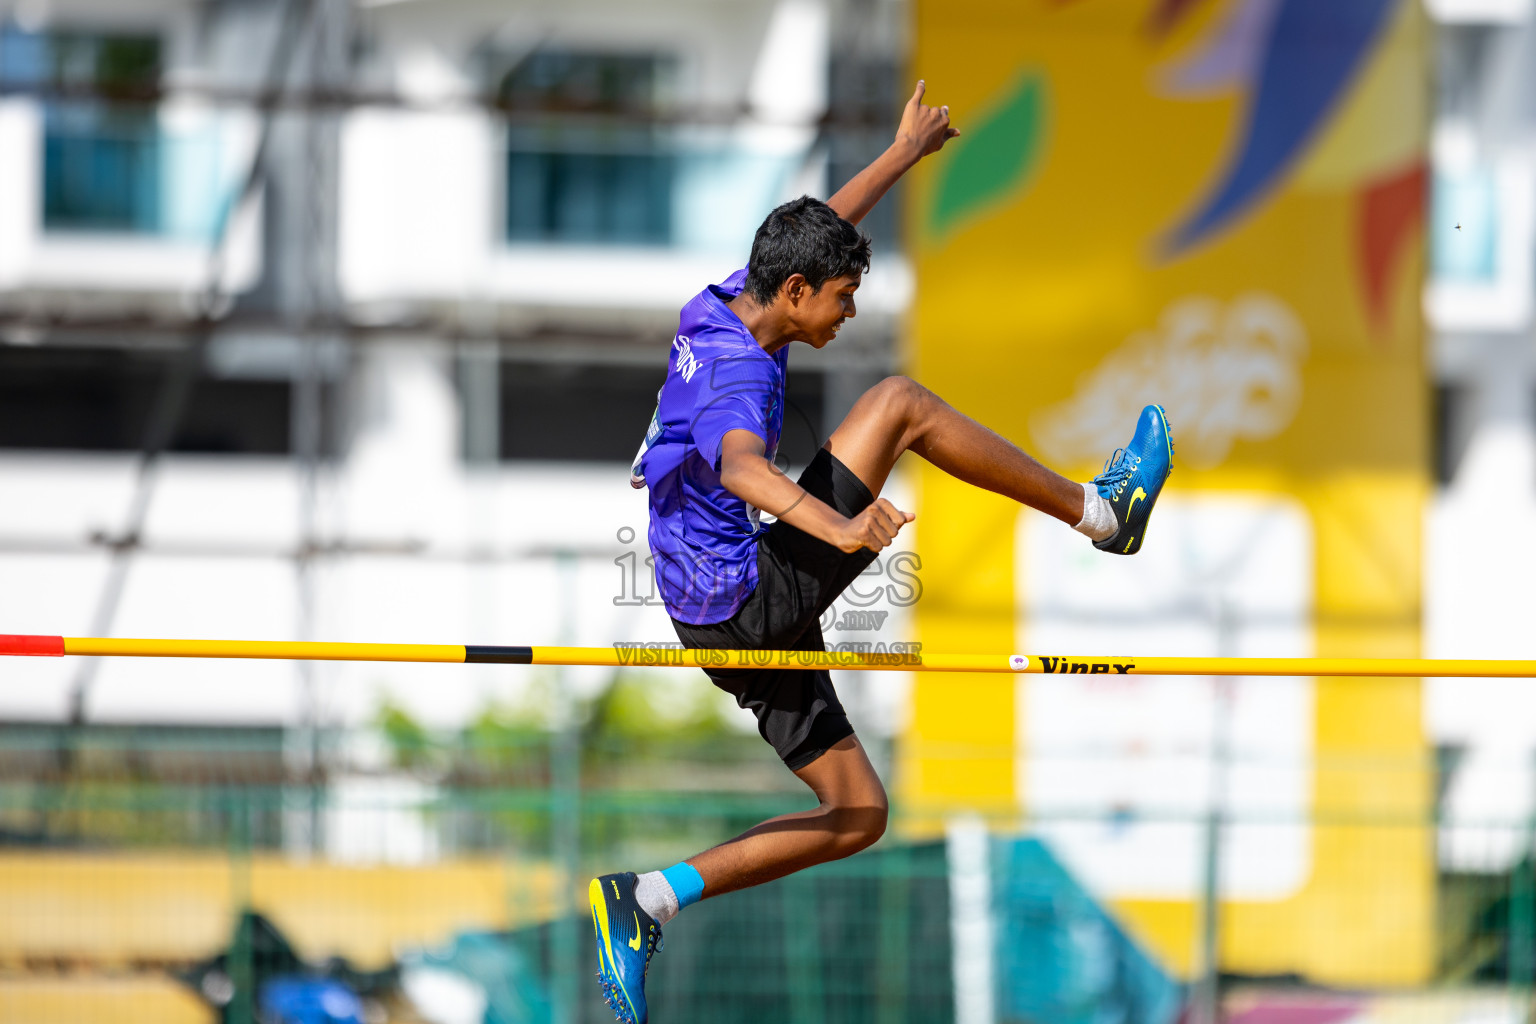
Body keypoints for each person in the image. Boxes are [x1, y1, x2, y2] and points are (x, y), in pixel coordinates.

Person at [590, 81, 1173, 1024]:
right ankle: (1103, 516)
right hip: (751, 599)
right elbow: (741, 466)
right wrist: (840, 528)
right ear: (795, 294)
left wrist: (901, 156)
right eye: (843, 297)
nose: (847, 313)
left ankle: (647, 899)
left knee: (858, 813)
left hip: (713, 615)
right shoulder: (740, 373)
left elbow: (817, 233)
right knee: (900, 404)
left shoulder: (722, 306)